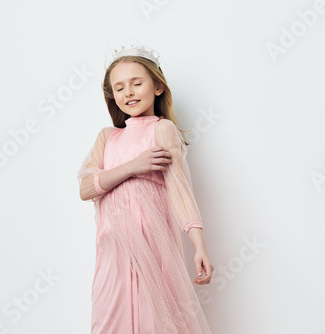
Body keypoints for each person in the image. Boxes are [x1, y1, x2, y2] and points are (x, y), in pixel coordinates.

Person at [77, 45, 213, 333]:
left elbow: (181, 193)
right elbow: (86, 188)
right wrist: (133, 166)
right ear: (112, 96)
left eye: (137, 83)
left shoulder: (162, 130)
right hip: (112, 253)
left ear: (158, 87)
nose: (129, 93)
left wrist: (199, 245)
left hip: (153, 249)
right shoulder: (107, 137)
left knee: (157, 321)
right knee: (109, 321)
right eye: (120, 88)